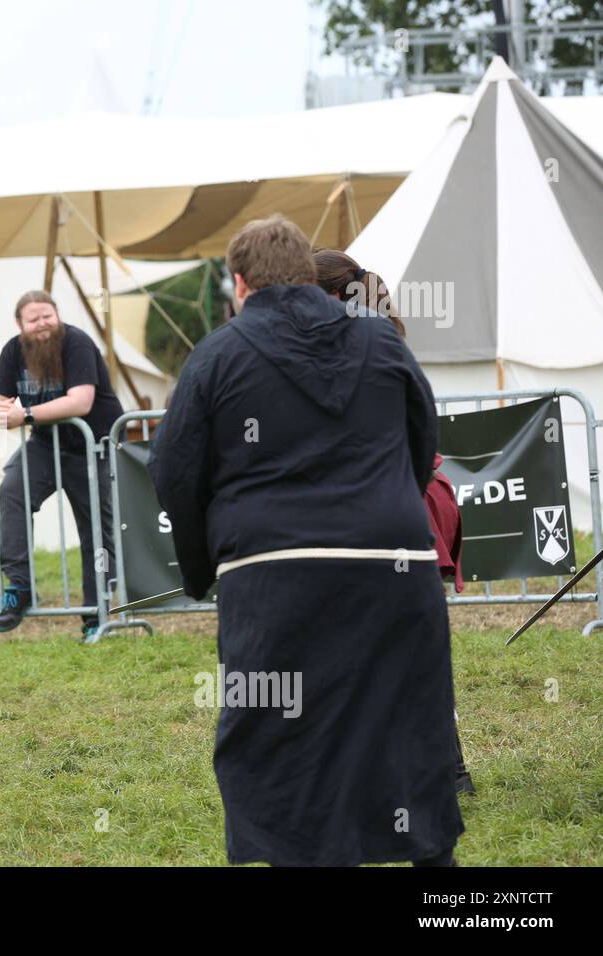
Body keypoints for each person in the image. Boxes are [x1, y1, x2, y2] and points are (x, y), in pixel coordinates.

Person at [148, 215, 464, 866]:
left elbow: (174, 471)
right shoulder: (381, 342)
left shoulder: (218, 353)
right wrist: (386, 511)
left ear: (239, 283)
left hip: (275, 571)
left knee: (272, 730)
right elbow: (422, 444)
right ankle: (433, 865)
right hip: (393, 564)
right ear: (305, 273)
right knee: (407, 717)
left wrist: (206, 566)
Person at [314, 247, 475, 795]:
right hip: (408, 500)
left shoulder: (355, 349)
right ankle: (436, 772)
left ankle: (440, 772)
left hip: (405, 504)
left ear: (332, 295)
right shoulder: (374, 339)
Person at [0, 291, 123, 640]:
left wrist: (25, 414)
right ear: (21, 325)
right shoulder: (14, 350)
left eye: (48, 315)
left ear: (57, 315)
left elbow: (81, 401)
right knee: (12, 492)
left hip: (93, 444)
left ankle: (98, 614)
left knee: (96, 529)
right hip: (46, 443)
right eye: (34, 319)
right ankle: (19, 586)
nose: (43, 324)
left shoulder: (76, 342)